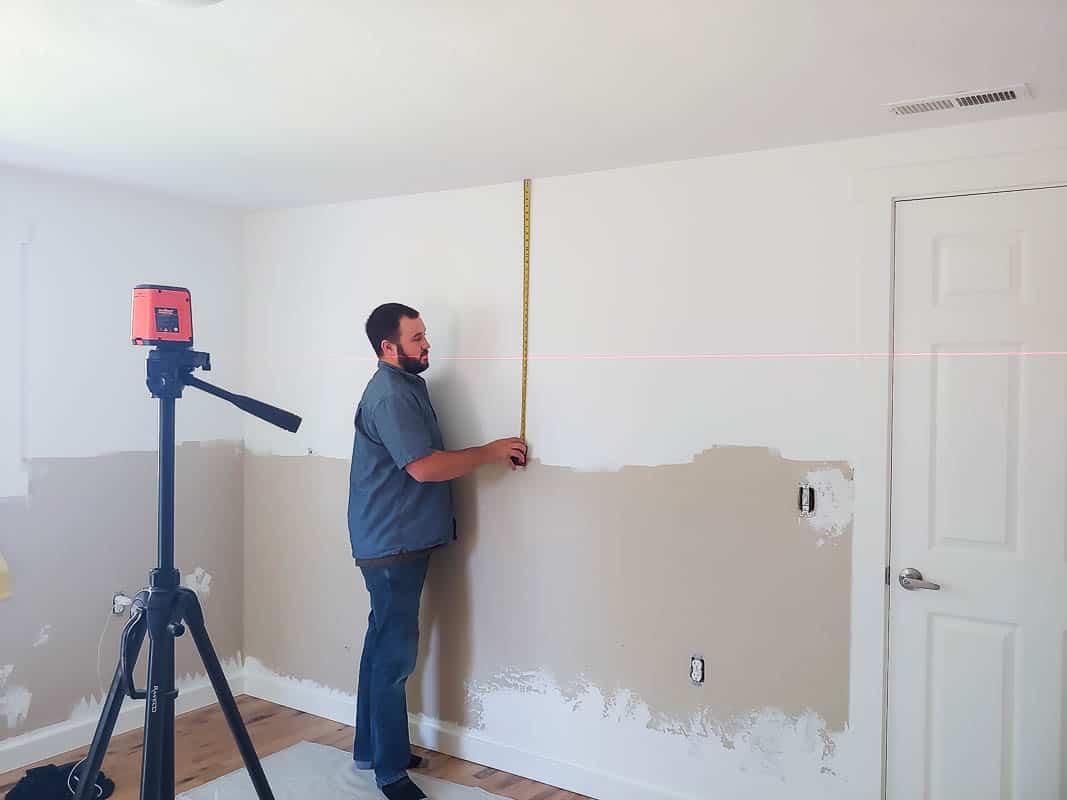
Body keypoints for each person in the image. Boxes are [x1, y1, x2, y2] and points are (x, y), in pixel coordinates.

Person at [348, 302, 526, 800]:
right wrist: (491, 452)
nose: (427, 345)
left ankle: (371, 749)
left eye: (425, 335)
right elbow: (423, 467)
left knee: (380, 645)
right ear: (388, 347)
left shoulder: (411, 385)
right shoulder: (388, 396)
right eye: (417, 339)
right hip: (390, 544)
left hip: (398, 538)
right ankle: (389, 772)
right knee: (394, 657)